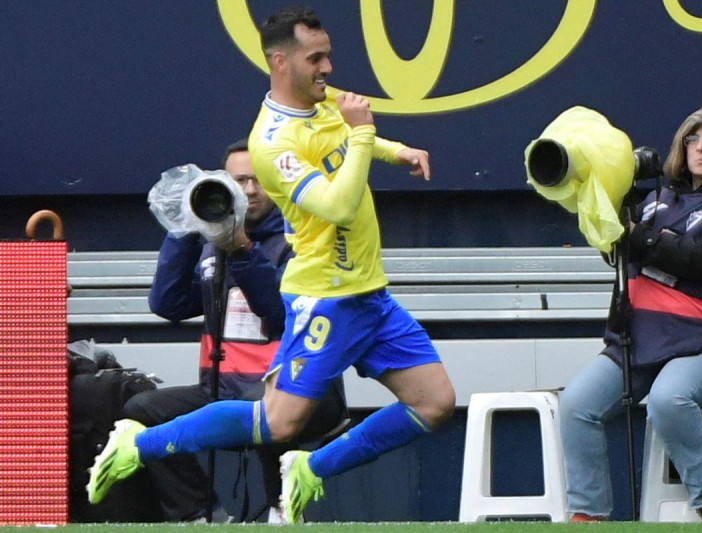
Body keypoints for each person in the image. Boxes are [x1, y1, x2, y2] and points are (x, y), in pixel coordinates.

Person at [88, 7, 455, 524]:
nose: (328, 67)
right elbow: (337, 205)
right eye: (316, 58)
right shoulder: (272, 142)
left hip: (368, 293)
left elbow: (343, 141)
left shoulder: (320, 104)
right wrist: (364, 133)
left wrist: (396, 151)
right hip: (326, 296)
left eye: (328, 55)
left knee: (434, 402)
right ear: (281, 62)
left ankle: (310, 469)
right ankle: (139, 444)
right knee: (278, 422)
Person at [104, 140, 348, 523]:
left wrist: (242, 249)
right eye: (240, 181)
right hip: (222, 389)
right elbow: (168, 304)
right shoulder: (211, 242)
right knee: (143, 411)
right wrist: (185, 230)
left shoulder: (302, 238)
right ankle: (201, 516)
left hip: (302, 390)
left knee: (265, 408)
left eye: (260, 179)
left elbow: (280, 315)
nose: (250, 190)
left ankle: (282, 512)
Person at [559, 102, 702, 522]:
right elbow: (618, 251)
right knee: (576, 404)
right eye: (692, 139)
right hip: (643, 339)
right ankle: (587, 516)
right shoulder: (658, 199)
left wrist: (641, 239)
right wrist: (606, 211)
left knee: (669, 399)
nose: (700, 148)